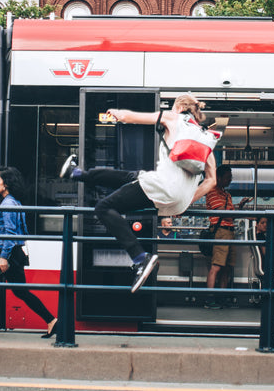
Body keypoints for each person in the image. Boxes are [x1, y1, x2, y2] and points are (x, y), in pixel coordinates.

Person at [59, 94, 218, 293]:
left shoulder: (173, 117)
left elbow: (130, 118)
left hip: (163, 186)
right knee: (133, 176)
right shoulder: (206, 139)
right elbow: (212, 181)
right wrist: (185, 200)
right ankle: (77, 173)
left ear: (178, 106)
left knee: (103, 207)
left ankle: (140, 258)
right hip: (178, 200)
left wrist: (116, 113)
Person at [0, 167, 58, 339]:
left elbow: (11, 234)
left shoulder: (8, 204)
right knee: (20, 291)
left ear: (7, 183)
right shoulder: (14, 202)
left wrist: (3, 258)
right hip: (14, 255)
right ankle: (51, 320)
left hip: (4, 256)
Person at [204, 164, 249, 309]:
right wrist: (236, 212)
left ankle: (222, 298)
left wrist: (239, 207)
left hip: (230, 231)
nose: (230, 180)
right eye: (228, 177)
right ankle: (209, 300)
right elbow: (224, 212)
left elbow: (231, 215)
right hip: (221, 232)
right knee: (216, 266)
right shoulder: (212, 192)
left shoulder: (226, 195)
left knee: (227, 267)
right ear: (219, 177)